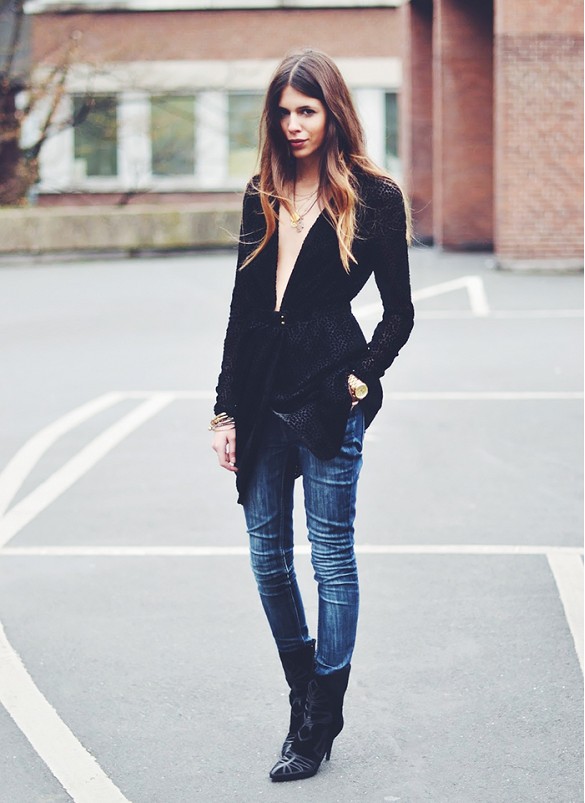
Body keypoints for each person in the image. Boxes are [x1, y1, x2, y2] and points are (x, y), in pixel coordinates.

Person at [210, 49, 414, 782]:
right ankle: (305, 695)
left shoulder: (373, 197)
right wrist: (223, 409)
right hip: (261, 393)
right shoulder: (261, 192)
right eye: (284, 112)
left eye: (307, 110)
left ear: (332, 112)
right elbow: (243, 309)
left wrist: (360, 379)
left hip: (329, 393)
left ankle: (320, 717)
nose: (294, 124)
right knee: (267, 557)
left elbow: (399, 312)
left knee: (330, 555)